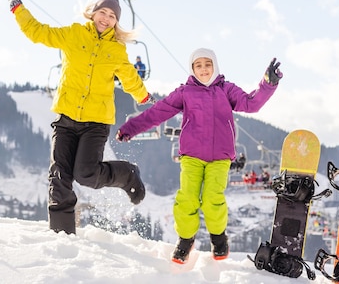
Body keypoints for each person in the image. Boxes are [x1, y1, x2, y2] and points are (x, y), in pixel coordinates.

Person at [6, 0, 156, 235]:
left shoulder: (116, 50)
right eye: (103, 13)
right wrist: (17, 8)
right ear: (93, 13)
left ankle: (127, 174)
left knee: (86, 175)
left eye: (112, 16)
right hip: (66, 118)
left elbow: (130, 77)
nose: (106, 19)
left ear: (116, 23)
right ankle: (61, 236)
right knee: (59, 177)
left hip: (95, 124)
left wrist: (144, 97)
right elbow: (38, 33)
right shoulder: (73, 34)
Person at [116, 48, 282, 264]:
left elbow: (252, 103)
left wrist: (268, 84)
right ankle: (185, 240)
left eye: (208, 64)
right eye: (198, 65)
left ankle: (218, 237)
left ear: (215, 66)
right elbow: (157, 112)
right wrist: (130, 128)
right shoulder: (185, 92)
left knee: (213, 198)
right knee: (187, 199)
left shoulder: (226, 89)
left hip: (220, 157)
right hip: (192, 156)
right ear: (192, 69)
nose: (204, 69)